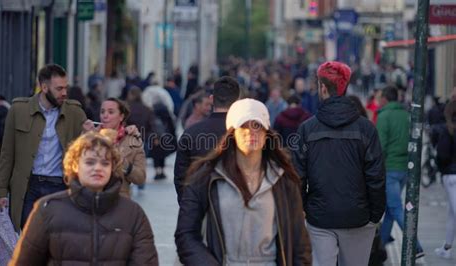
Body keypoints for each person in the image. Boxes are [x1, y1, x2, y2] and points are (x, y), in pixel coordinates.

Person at [175, 98, 312, 265]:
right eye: (244, 125)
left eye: (257, 125)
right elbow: (186, 233)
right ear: (232, 132)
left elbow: (300, 243)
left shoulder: (284, 181)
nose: (251, 131)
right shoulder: (206, 177)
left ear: (266, 133)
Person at [10, 132, 158, 265]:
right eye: (90, 162)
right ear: (75, 165)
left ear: (112, 168)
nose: (98, 168)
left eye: (105, 163)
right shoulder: (48, 209)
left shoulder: (132, 214)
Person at [293, 61, 385, 266]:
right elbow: (376, 176)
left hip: (320, 217)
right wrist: (375, 215)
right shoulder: (366, 129)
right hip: (358, 216)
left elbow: (298, 175)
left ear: (323, 87)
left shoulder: (307, 129)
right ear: (344, 88)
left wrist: (305, 207)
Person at [0, 64, 88, 232]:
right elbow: (7, 153)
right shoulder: (18, 110)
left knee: (56, 238)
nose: (64, 93)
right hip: (28, 187)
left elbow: (88, 148)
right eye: (59, 89)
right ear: (44, 87)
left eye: (66, 88)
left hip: (60, 186)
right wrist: (0, 191)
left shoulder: (75, 112)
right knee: (30, 238)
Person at [174, 76, 241, 203]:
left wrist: (188, 204)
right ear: (237, 101)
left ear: (211, 99)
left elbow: (180, 174)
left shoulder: (191, 132)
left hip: (199, 203)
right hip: (235, 206)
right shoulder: (245, 134)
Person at [376, 86, 424, 257]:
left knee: (395, 208)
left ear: (385, 99)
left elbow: (380, 146)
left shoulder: (384, 116)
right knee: (390, 208)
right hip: (405, 169)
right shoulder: (407, 115)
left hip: (390, 169)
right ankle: (380, 245)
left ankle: (415, 246)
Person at [99, 98, 147, 197]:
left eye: (111, 112)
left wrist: (124, 164)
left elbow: (140, 178)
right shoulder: (90, 137)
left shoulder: (133, 141)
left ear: (121, 117)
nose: (105, 115)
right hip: (93, 200)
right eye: (102, 111)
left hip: (120, 201)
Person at [434, 100, 456, 259]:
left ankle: (447, 249)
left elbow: (442, 155)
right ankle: (447, 247)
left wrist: (441, 168)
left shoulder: (448, 130)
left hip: (451, 175)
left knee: (454, 211)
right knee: (452, 213)